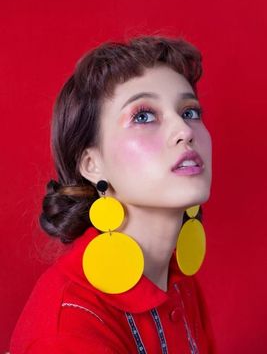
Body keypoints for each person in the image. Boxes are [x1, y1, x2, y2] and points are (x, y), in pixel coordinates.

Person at [10, 35, 216, 353]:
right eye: (143, 116)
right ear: (92, 165)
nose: (185, 131)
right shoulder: (68, 324)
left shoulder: (182, 284)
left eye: (190, 112)